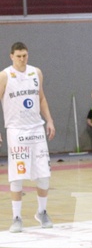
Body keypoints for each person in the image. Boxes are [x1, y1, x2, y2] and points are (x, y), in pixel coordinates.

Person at [0, 42, 56, 233]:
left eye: (25, 55)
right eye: (18, 56)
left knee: (43, 175)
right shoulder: (5, 75)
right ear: (11, 56)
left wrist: (49, 120)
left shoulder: (36, 73)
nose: (22, 59)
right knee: (17, 176)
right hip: (16, 130)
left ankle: (42, 212)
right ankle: (16, 218)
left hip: (36, 129)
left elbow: (41, 98)